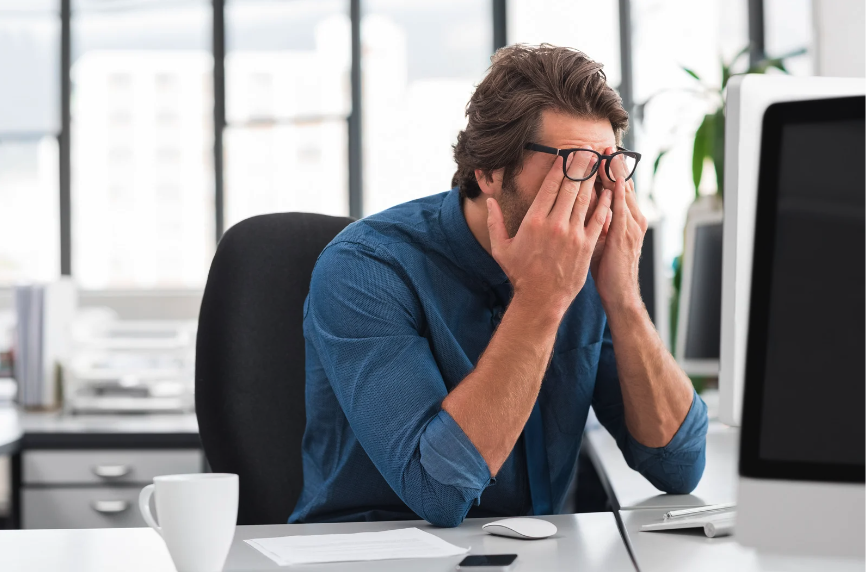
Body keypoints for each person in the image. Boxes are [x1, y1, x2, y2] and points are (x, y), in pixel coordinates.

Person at [289, 44, 708, 527]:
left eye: (608, 167)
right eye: (574, 164)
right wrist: (541, 299)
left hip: (540, 553)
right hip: (375, 551)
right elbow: (438, 493)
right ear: (489, 171)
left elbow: (678, 466)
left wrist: (623, 298)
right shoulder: (366, 268)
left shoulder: (590, 264)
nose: (595, 194)